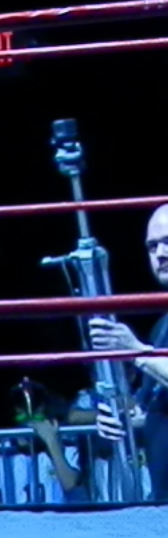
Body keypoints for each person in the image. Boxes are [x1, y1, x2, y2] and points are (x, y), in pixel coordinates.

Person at [88, 203, 168, 501]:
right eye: (152, 246)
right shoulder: (162, 324)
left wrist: (138, 353)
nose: (160, 253)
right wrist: (124, 420)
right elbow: (156, 408)